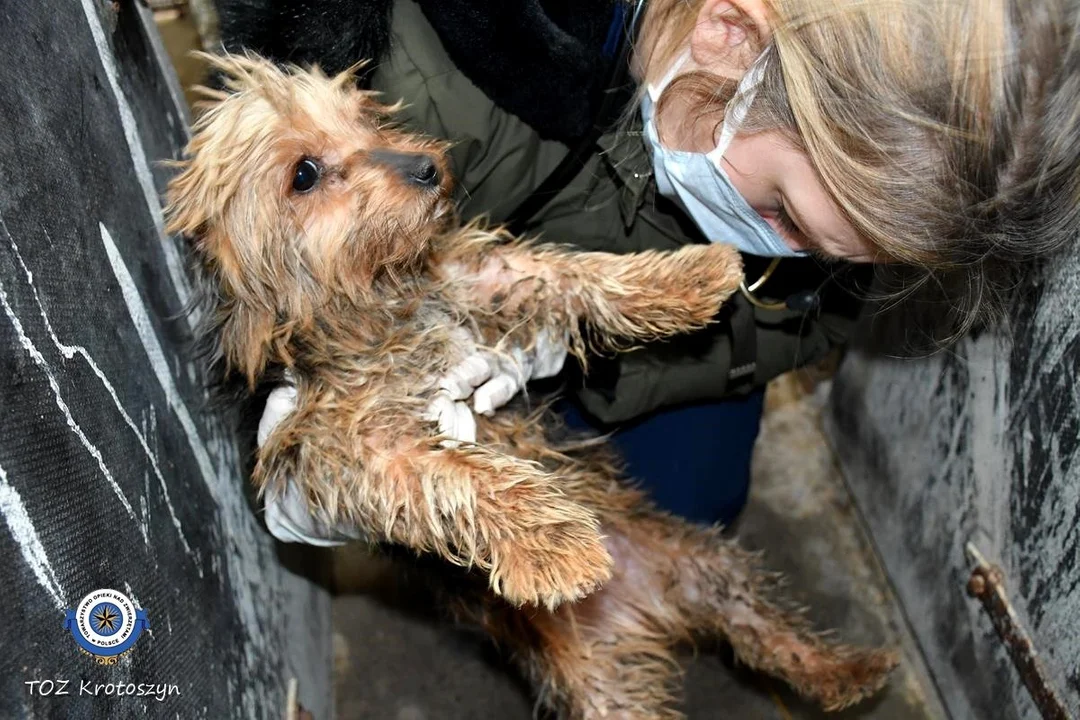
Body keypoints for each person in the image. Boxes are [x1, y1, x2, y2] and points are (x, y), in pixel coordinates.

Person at [214, 0, 1080, 543]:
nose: (780, 247)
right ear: (728, 32)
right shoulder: (417, 76)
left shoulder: (851, 169)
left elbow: (796, 318)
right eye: (780, 214)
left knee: (688, 503)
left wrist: (561, 333)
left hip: (613, 323)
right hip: (437, 304)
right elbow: (291, 339)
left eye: (833, 255)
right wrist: (339, 483)